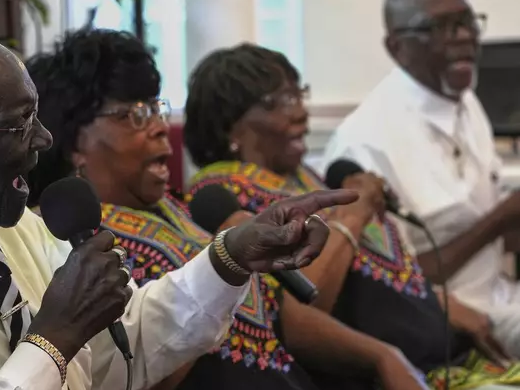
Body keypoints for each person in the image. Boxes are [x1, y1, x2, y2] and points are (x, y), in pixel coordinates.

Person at [0, 30, 355, 390]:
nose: (44, 138)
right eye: (16, 125)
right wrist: (53, 339)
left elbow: (123, 347)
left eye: (37, 114)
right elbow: (62, 344)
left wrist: (230, 258)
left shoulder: (13, 227)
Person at [25, 28, 430, 390]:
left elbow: (279, 313)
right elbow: (127, 367)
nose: (160, 126)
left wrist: (383, 356)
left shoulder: (181, 211)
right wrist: (204, 293)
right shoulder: (62, 242)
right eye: (135, 115)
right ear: (74, 140)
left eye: (157, 108)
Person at [183, 42, 520, 390]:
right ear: (231, 128)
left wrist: (438, 301)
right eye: (280, 102)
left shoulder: (307, 178)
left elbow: (380, 270)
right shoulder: (225, 196)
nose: (300, 112)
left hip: (450, 353)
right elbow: (305, 300)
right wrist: (354, 215)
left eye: (299, 95)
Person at [319, 0, 520, 358]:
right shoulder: (364, 144)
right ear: (396, 47)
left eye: (468, 23)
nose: (463, 37)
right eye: (440, 27)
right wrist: (499, 219)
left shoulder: (465, 101)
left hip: (503, 294)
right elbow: (396, 284)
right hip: (455, 321)